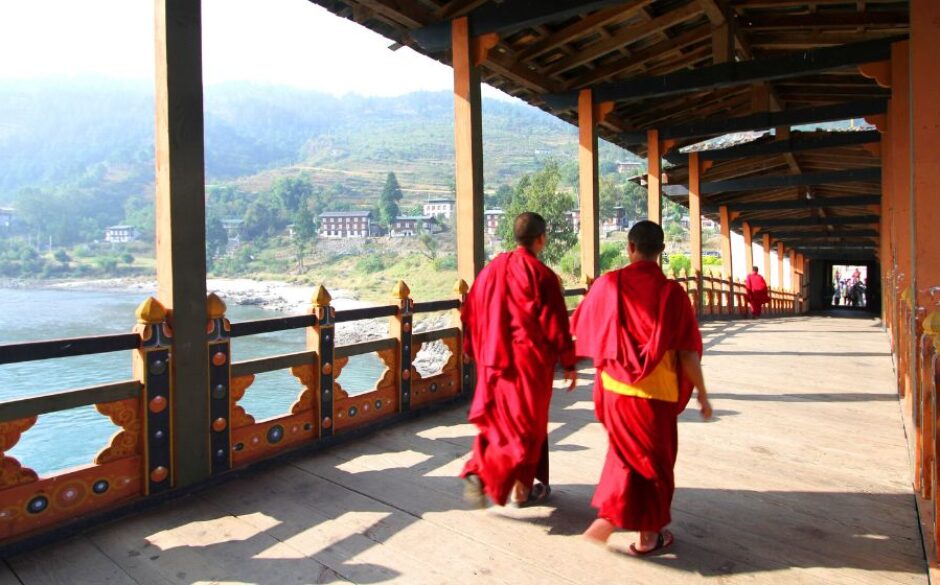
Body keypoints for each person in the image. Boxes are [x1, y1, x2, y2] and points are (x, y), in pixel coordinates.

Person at [571, 220, 712, 555]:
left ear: (630, 248)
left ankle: (610, 514)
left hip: (615, 391)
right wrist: (703, 396)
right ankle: (646, 536)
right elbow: (688, 354)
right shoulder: (673, 294)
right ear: (661, 251)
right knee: (656, 466)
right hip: (656, 395)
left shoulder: (608, 284)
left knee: (623, 456)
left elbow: (580, 327)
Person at [460, 212, 578, 508]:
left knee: (498, 421)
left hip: (492, 361)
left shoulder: (490, 271)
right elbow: (556, 323)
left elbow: (471, 311)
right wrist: (569, 361)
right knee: (529, 427)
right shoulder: (542, 275)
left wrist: (469, 347)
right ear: (542, 239)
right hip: (528, 364)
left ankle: (483, 468)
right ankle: (515, 488)